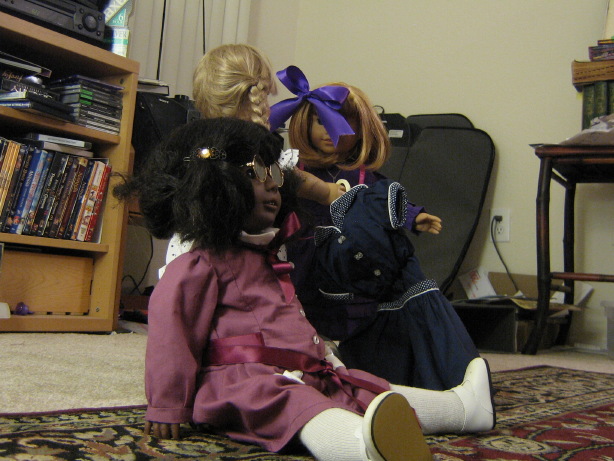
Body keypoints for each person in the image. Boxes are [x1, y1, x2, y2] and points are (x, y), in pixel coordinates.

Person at [113, 117, 495, 461]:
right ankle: (361, 446)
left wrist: (328, 361)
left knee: (366, 389)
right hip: (243, 380)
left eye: (276, 175)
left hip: (306, 368)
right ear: (212, 185)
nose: (273, 186)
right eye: (256, 174)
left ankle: (462, 409)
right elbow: (171, 336)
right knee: (294, 404)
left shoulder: (267, 255)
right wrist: (166, 405)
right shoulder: (197, 264)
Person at [269, 66, 482, 391]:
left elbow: (383, 203)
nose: (328, 131)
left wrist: (413, 217)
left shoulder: (364, 177)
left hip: (358, 264)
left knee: (400, 280)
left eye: (342, 122)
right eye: (319, 121)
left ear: (362, 129)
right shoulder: (295, 169)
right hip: (309, 259)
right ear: (303, 123)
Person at [165, 44, 345, 270]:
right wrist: (327, 192)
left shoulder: (196, 145)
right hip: (246, 257)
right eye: (267, 96)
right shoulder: (255, 149)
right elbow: (294, 178)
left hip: (189, 255)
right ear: (258, 96)